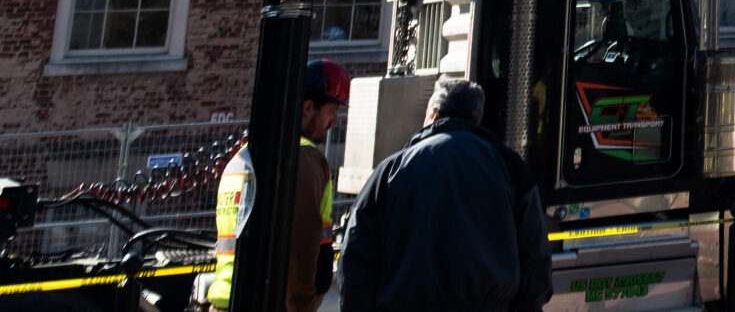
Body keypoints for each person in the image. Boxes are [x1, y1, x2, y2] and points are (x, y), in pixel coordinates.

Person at [338, 78, 551, 312]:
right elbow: (535, 253)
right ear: (476, 118)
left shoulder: (391, 170)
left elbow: (356, 254)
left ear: (434, 115)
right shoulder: (510, 168)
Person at [209, 58, 348, 312]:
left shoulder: (240, 159)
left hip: (224, 301)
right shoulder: (306, 158)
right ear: (308, 107)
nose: (334, 122)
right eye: (332, 111)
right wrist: (304, 304)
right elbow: (306, 251)